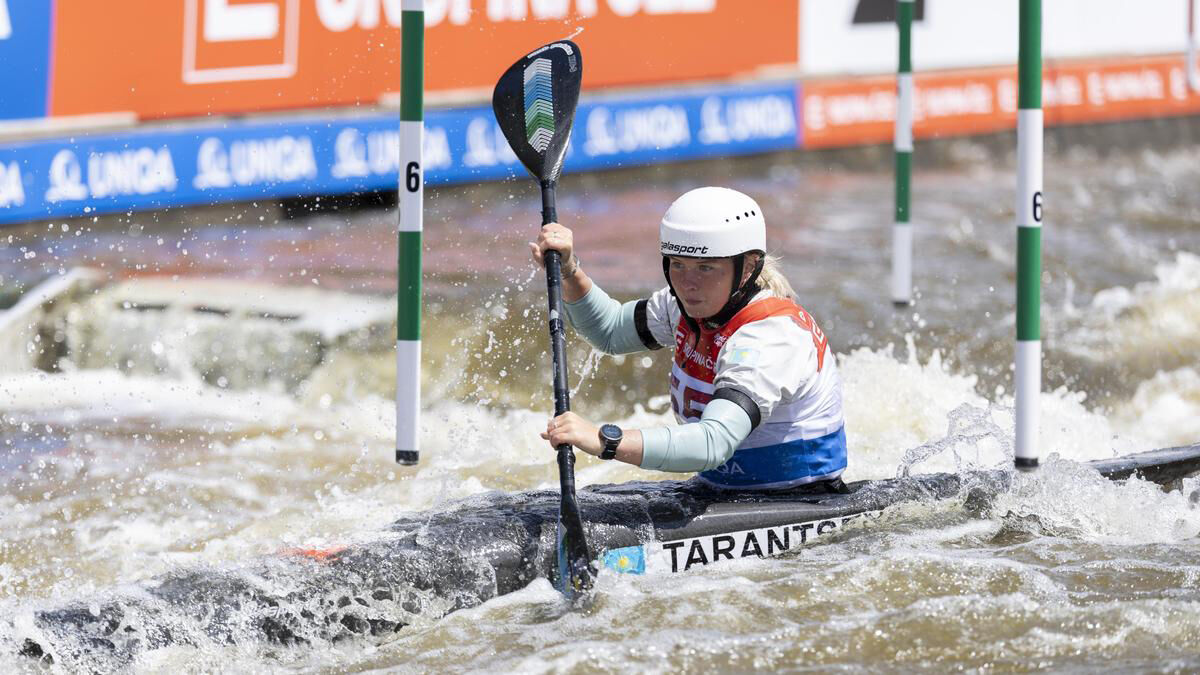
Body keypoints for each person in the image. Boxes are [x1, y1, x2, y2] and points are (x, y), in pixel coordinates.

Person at [531, 186, 847, 492]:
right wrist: (569, 271)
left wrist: (604, 440)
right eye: (678, 265)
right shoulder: (682, 308)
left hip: (796, 496)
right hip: (720, 490)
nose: (687, 284)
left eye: (706, 268)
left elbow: (713, 443)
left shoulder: (770, 337)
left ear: (748, 267)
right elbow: (609, 332)